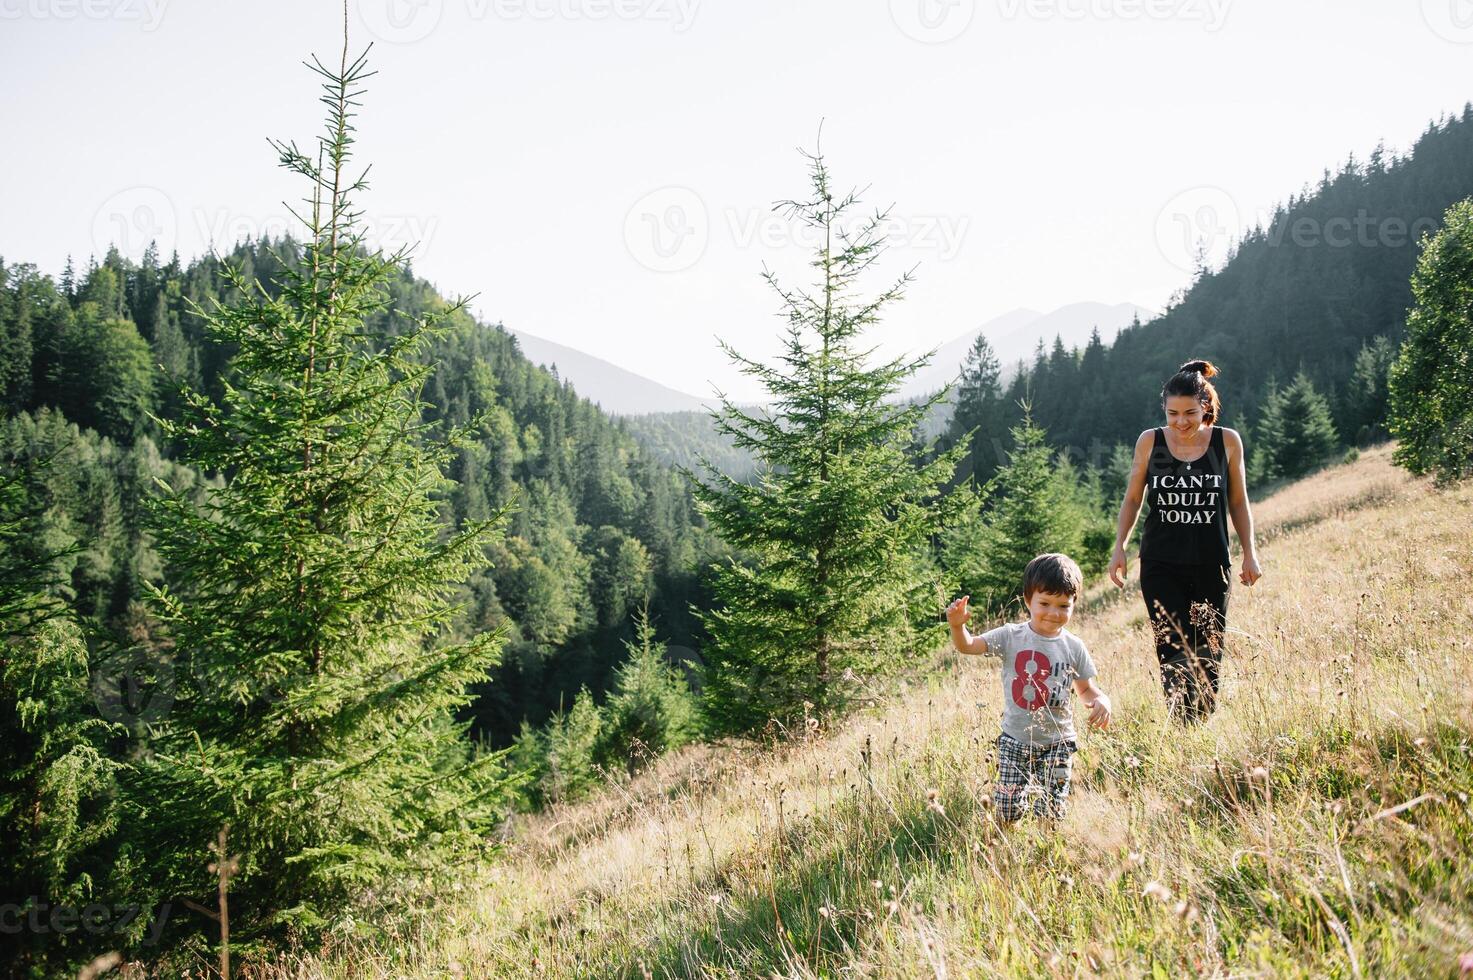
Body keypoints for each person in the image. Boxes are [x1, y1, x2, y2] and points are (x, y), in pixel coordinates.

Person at [1106, 358, 1263, 722]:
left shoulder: (1227, 442)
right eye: (1173, 413)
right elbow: (1132, 499)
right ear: (1164, 408)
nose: (1180, 422)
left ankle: (1203, 723)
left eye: (1189, 412)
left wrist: (1250, 553)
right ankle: (1182, 724)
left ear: (1205, 406)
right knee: (1172, 647)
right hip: (1160, 564)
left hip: (1212, 562)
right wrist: (1120, 548)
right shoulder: (1151, 441)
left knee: (1208, 647)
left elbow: (1238, 501)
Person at [945, 553, 1111, 822]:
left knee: (1052, 810)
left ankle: (1046, 854)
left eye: (1063, 606)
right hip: (1014, 740)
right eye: (1045, 603)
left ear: (1074, 604)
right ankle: (1006, 848)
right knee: (1007, 809)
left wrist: (1102, 700)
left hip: (1059, 742)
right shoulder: (1011, 636)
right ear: (1027, 600)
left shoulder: (1074, 647)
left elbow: (1086, 690)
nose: (1054, 613)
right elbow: (968, 646)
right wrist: (957, 626)